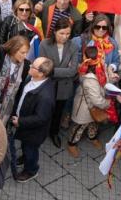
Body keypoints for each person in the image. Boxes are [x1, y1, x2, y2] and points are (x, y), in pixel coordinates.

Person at [11, 56, 55, 183]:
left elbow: (41, 118)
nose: (29, 66)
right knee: (25, 146)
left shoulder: (45, 96)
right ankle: (25, 158)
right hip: (26, 127)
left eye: (33, 66)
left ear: (41, 74)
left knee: (30, 150)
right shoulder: (32, 78)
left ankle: (31, 170)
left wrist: (20, 122)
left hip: (33, 132)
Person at [37, 17, 76, 147]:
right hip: (48, 85)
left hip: (64, 87)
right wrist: (64, 70)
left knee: (59, 112)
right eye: (62, 33)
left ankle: (54, 132)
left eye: (68, 34)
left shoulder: (73, 46)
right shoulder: (44, 44)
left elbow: (73, 71)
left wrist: (52, 70)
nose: (65, 37)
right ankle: (41, 131)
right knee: (43, 110)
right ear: (55, 31)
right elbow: (43, 68)